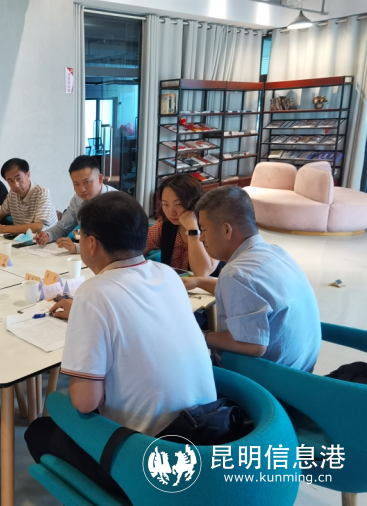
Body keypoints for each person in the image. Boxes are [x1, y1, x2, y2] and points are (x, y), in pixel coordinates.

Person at [25, 192, 216, 493]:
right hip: (205, 431)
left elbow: (85, 402)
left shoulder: (93, 293)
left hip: (151, 457)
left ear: (91, 244)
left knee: (39, 430)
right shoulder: (167, 274)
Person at [182, 186, 321, 371]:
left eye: (204, 230)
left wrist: (200, 335)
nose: (201, 239)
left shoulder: (236, 274)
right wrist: (199, 282)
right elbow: (251, 292)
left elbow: (252, 345)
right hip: (301, 369)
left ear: (226, 230)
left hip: (269, 379)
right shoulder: (274, 252)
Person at [34, 155, 117, 253]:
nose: (82, 189)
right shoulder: (77, 200)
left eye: (87, 182)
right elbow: (63, 227)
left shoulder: (117, 202)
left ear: (100, 179)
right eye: (76, 184)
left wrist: (78, 248)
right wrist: (48, 235)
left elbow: (118, 244)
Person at [144, 174, 218, 277]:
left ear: (195, 202)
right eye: (165, 204)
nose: (171, 212)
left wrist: (192, 229)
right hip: (176, 284)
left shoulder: (213, 227)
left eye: (178, 204)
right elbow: (135, 249)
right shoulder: (164, 225)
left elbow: (202, 272)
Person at [0, 157, 58, 234]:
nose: (16, 185)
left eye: (19, 178)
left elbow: (38, 227)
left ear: (28, 175)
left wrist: (3, 228)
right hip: (21, 239)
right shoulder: (12, 193)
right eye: (10, 181)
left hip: (45, 240)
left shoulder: (42, 192)